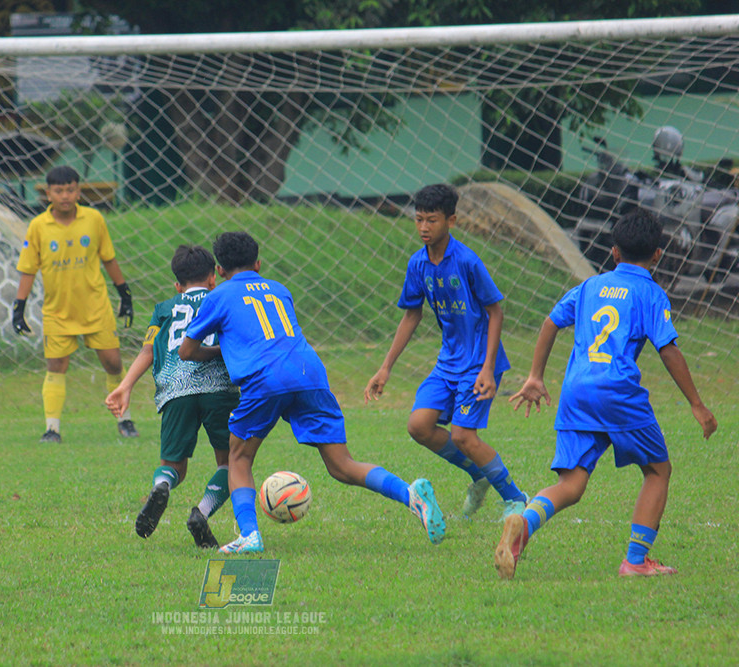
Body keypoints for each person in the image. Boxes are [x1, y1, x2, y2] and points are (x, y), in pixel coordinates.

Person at [179, 231, 445, 555]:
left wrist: (224, 352)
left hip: (265, 377)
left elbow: (187, 350)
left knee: (238, 457)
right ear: (259, 263)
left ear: (218, 270)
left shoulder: (217, 296)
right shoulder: (280, 290)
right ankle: (410, 494)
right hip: (309, 371)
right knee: (342, 465)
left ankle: (249, 535)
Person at [497, 208, 717, 580]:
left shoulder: (589, 287)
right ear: (658, 255)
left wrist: (535, 375)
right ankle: (634, 561)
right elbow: (668, 349)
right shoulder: (650, 292)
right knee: (658, 470)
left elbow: (550, 322)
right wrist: (697, 404)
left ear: (614, 252)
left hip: (576, 390)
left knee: (572, 483)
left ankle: (526, 522)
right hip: (617, 391)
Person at [364, 183, 527, 520]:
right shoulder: (417, 264)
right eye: (419, 220)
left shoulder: (466, 261)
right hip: (448, 362)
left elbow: (495, 310)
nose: (424, 228)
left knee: (464, 436)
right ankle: (479, 475)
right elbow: (412, 314)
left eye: (432, 220)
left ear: (451, 220)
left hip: (478, 363)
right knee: (419, 426)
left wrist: (487, 367)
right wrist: (385, 367)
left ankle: (516, 498)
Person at [105, 245, 240, 548]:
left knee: (174, 465)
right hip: (220, 389)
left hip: (175, 390)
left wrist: (125, 386)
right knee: (232, 462)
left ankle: (162, 484)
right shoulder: (223, 299)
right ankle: (201, 514)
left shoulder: (164, 308)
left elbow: (148, 349)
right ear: (212, 279)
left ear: (177, 285)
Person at [12, 165, 138, 443]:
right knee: (55, 365)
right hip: (58, 312)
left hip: (95, 307)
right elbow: (28, 270)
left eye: (70, 190)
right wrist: (18, 308)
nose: (65, 196)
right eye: (59, 191)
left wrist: (124, 294)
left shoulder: (94, 219)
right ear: (48, 193)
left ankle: (125, 421)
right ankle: (52, 429)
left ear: (79, 191)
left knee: (113, 363)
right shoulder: (37, 227)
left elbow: (109, 259)